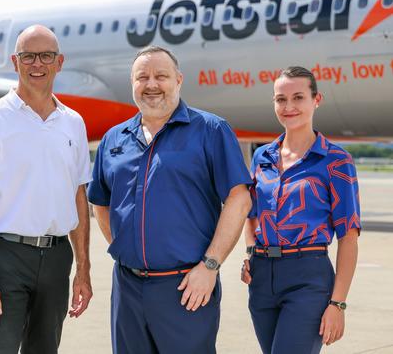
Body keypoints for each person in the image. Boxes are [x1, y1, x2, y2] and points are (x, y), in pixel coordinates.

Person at [88, 45, 253, 354]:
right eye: (142, 77)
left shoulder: (210, 130)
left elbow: (239, 199)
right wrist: (123, 246)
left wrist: (211, 265)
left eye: (161, 76)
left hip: (186, 288)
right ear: (132, 84)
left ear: (178, 79)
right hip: (127, 288)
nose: (151, 84)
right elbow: (101, 201)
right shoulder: (113, 139)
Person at [0, 25, 92, 354]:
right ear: (14, 62)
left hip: (57, 257)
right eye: (28, 56)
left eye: (46, 56)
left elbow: (78, 198)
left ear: (59, 62)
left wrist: (84, 270)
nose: (37, 64)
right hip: (5, 258)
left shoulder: (73, 122)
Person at [241, 66, 360, 354]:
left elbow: (348, 235)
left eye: (298, 97)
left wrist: (338, 303)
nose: (289, 107)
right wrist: (250, 252)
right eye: (281, 99)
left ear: (316, 100)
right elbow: (252, 213)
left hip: (308, 278)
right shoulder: (262, 156)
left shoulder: (336, 160)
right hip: (262, 279)